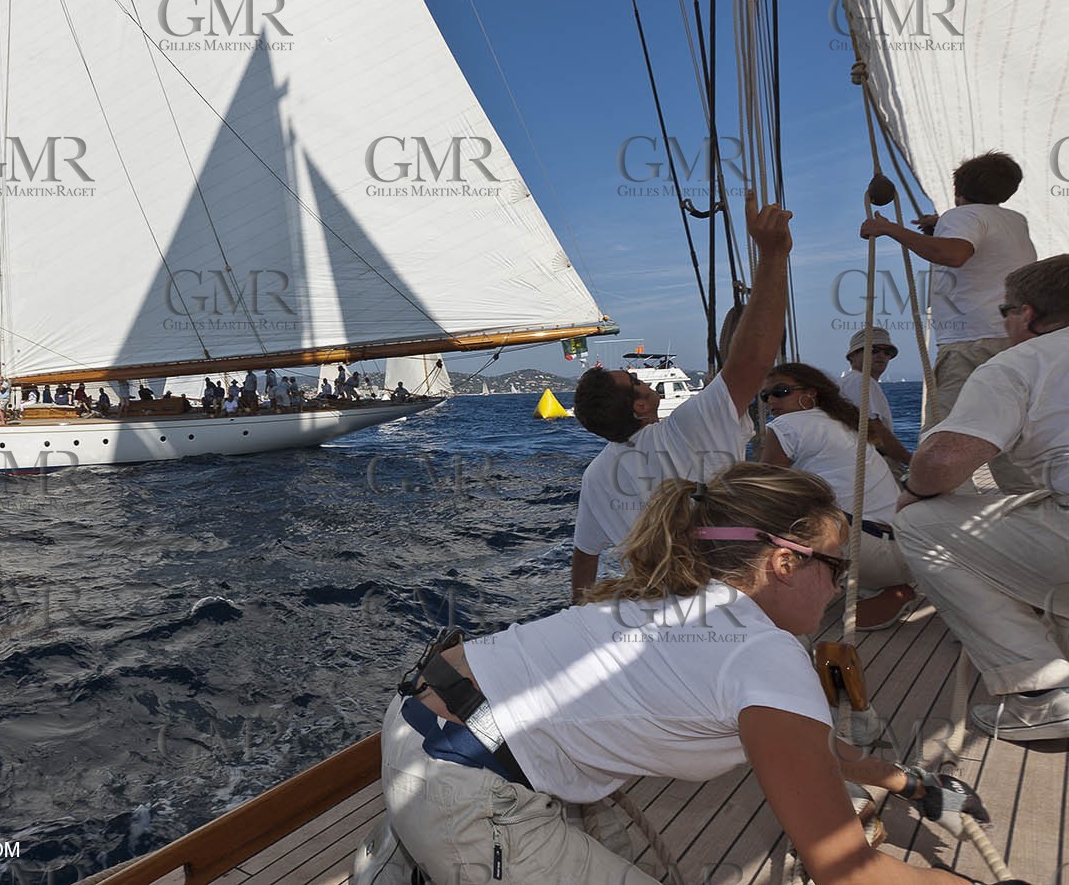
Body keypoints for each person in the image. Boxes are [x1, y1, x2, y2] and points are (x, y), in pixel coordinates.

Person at [378, 464, 983, 885]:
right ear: (784, 563)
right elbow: (852, 873)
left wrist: (908, 784)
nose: (841, 583)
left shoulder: (677, 599)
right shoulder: (764, 657)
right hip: (462, 780)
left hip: (425, 721)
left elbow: (817, 748)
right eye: (835, 566)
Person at [570, 191, 793, 600]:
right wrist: (773, 255)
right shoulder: (685, 429)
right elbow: (751, 362)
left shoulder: (595, 476)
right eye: (635, 381)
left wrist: (580, 615)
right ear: (640, 406)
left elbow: (584, 556)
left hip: (659, 607)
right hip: (732, 594)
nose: (644, 380)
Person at [893, 254, 1069, 743]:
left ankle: (1041, 692)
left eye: (1005, 311)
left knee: (919, 524)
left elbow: (944, 459)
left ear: (1027, 315)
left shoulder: (1021, 363)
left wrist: (910, 493)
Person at [859, 151, 1037, 490]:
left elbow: (953, 254)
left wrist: (889, 228)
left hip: (970, 343)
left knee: (944, 436)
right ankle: (1031, 506)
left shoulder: (962, 215)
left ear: (958, 189)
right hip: (1013, 340)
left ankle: (934, 510)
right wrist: (939, 227)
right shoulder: (1015, 220)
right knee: (1007, 433)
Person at [757, 362, 917, 630]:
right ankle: (887, 589)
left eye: (781, 391)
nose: (771, 400)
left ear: (811, 393)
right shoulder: (848, 421)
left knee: (776, 518)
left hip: (869, 552)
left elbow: (760, 491)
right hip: (907, 551)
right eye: (764, 396)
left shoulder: (785, 425)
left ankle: (767, 601)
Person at [839, 327, 912, 467]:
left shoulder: (849, 382)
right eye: (874, 350)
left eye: (887, 352)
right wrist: (911, 461)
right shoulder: (861, 381)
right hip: (868, 465)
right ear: (852, 356)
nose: (881, 355)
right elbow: (875, 430)